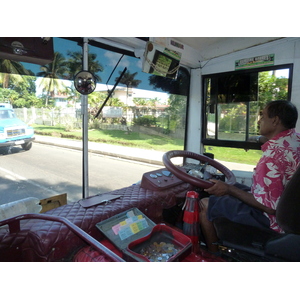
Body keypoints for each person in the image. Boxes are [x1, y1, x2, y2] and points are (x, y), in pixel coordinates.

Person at [199, 100, 300, 253]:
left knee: (206, 204)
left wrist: (228, 190)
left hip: (273, 221)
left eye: (263, 117)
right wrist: (255, 139)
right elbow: (269, 142)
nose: (259, 121)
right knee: (234, 188)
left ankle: (214, 255)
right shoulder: (294, 139)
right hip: (292, 210)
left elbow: (270, 208)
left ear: (275, 120)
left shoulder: (271, 158)